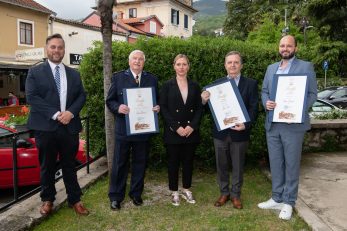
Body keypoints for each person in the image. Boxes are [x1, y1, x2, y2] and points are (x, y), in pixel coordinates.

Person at [25, 33, 89, 216]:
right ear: (47, 49)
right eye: (53, 47)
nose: (56, 50)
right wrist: (55, 114)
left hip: (69, 127)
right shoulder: (35, 72)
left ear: (64, 50)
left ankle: (75, 200)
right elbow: (32, 97)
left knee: (70, 164)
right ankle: (47, 199)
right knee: (47, 165)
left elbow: (81, 96)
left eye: (60, 47)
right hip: (45, 127)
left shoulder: (73, 73)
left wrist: (70, 113)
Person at [257, 35, 317, 220]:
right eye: (282, 45)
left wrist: (297, 111)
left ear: (295, 48)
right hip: (273, 124)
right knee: (275, 163)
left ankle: (289, 202)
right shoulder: (271, 68)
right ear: (279, 48)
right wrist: (266, 102)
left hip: (293, 125)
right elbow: (265, 91)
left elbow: (312, 94)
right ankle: (276, 197)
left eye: (289, 45)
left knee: (291, 164)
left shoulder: (306, 67)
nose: (285, 48)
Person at [201, 51, 258, 209]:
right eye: (229, 62)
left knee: (238, 166)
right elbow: (208, 110)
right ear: (225, 65)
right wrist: (204, 101)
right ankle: (224, 193)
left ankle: (236, 195)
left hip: (240, 133)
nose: (232, 65)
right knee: (222, 165)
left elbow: (254, 108)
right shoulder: (215, 86)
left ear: (241, 65)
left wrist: (246, 124)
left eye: (236, 62)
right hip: (221, 133)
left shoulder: (251, 84)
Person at [106, 50, 160, 210]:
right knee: (119, 163)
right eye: (134, 59)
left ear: (144, 62)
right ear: (129, 61)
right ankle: (115, 196)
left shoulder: (152, 79)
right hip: (124, 129)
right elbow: (110, 101)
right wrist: (118, 107)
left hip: (144, 129)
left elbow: (158, 100)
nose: (137, 61)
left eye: (140, 59)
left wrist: (158, 107)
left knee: (140, 163)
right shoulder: (118, 78)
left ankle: (136, 193)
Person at [159, 54, 203, 206]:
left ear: (188, 66)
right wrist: (176, 127)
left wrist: (192, 126)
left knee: (188, 161)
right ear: (174, 66)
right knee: (173, 162)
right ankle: (174, 191)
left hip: (191, 131)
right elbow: (163, 108)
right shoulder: (166, 85)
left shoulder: (195, 86)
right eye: (179, 64)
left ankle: (186, 189)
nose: (181, 67)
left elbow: (199, 108)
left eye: (184, 64)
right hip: (174, 131)